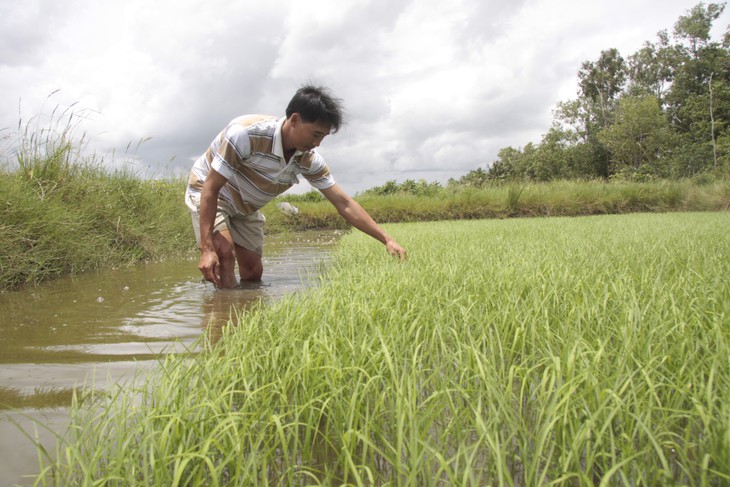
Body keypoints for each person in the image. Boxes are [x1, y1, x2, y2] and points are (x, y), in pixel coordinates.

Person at [185, 84, 407, 288]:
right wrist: (207, 249)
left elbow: (344, 203)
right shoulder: (246, 134)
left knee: (253, 271)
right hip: (211, 192)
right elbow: (211, 188)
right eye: (316, 134)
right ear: (294, 120)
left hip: (246, 206)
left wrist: (387, 239)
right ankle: (225, 319)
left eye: (323, 137)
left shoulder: (308, 159)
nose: (317, 143)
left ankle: (243, 310)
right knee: (225, 254)